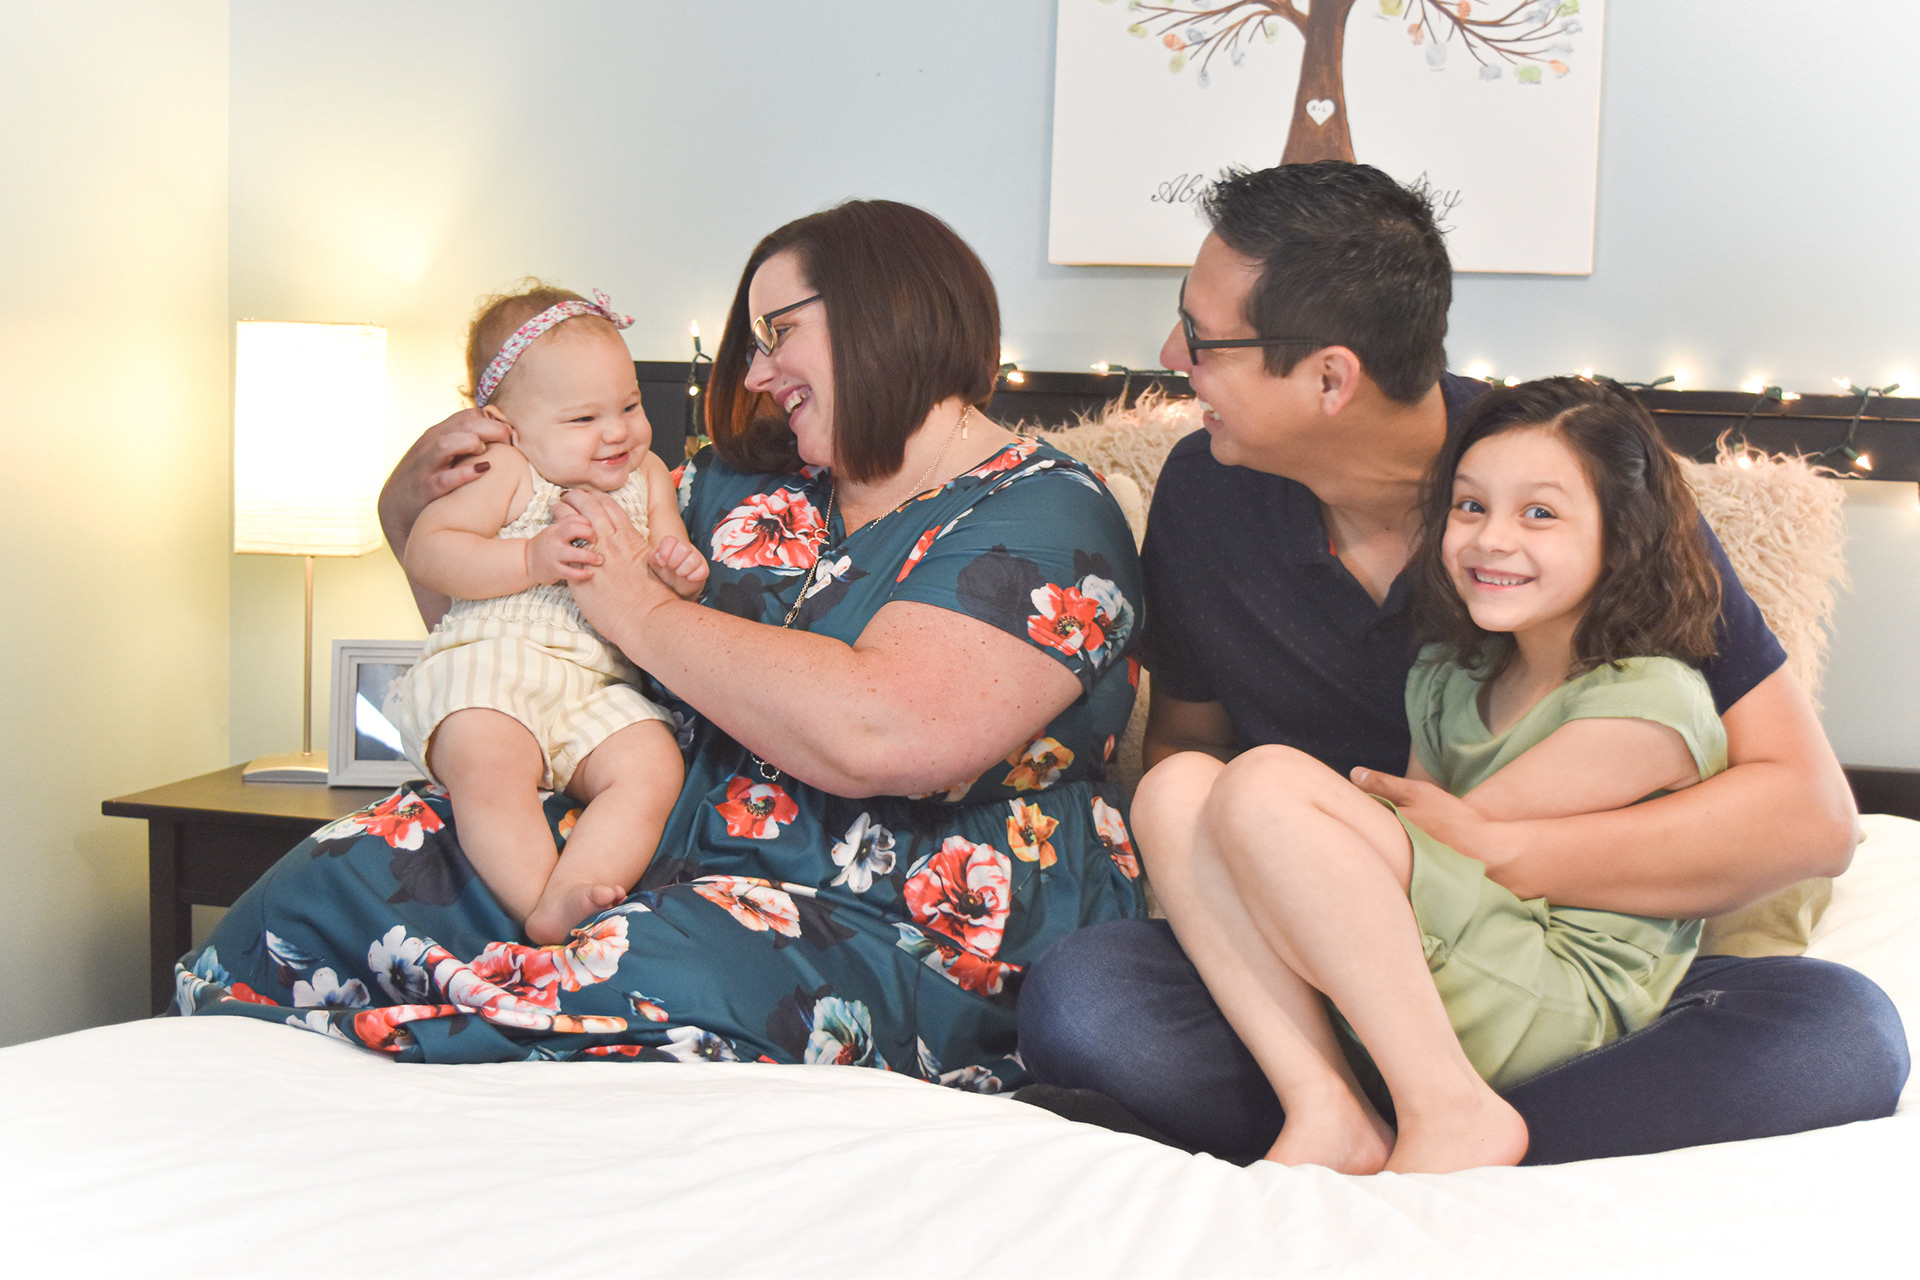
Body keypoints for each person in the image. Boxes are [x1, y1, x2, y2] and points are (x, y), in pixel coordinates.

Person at [1016, 161, 1908, 1164]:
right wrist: (1296, 916)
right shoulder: (1208, 489)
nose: (1172, 356)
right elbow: (1188, 752)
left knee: (1838, 1034)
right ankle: (1364, 1106)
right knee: (1084, 1002)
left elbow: (1809, 816)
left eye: (1203, 335)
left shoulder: (1565, 480)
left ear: (1330, 379)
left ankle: (1448, 1118)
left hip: (1550, 957)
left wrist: (1496, 849)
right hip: (1324, 956)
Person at [173, 200, 1147, 1080]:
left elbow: (881, 729)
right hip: (639, 853)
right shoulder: (732, 484)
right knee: (332, 883)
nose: (757, 374)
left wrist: (641, 609)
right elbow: (529, 640)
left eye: (779, 333)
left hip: (893, 922)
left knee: (646, 971)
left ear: (884, 311)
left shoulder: (1046, 513)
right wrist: (410, 515)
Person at [1144, 377, 1736, 1174]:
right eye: (1470, 506)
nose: (1492, 539)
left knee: (1266, 785)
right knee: (1177, 788)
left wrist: (1297, 828)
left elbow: (1456, 844)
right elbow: (1421, 862)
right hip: (1430, 971)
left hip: (1554, 997)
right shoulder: (1446, 677)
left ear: (1620, 535)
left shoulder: (1650, 701)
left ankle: (1451, 1112)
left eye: (1539, 514)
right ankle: (1327, 1106)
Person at [386, 282, 707, 945]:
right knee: (490, 765)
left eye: (629, 405)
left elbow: (665, 561)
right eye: (583, 419)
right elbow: (430, 550)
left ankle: (576, 888)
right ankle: (537, 899)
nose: (617, 431)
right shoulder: (505, 469)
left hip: (600, 683)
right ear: (505, 423)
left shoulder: (648, 474)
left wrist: (682, 576)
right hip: (494, 666)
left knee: (652, 766)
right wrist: (528, 556)